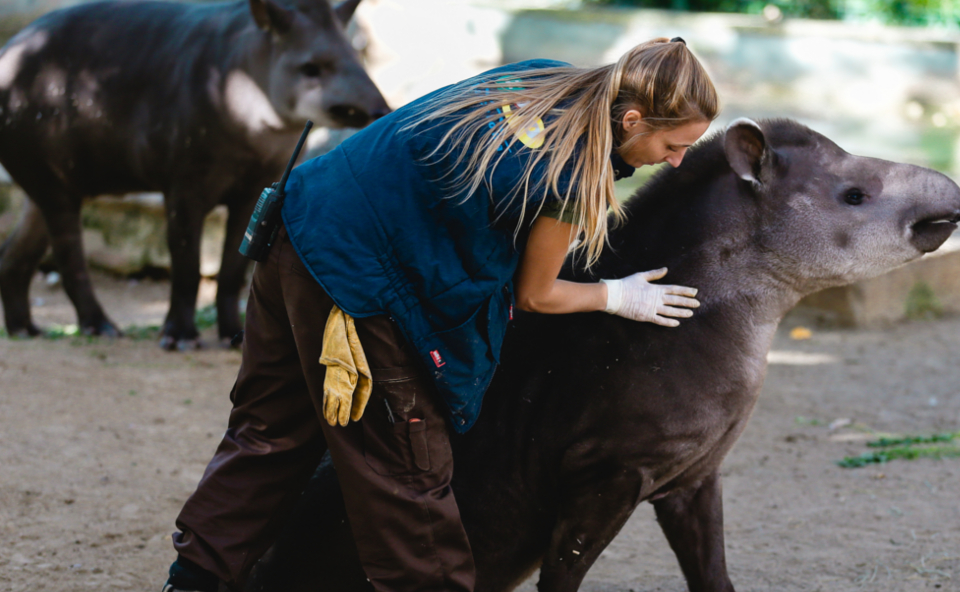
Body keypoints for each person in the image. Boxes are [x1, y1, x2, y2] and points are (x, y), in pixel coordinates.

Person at [162, 37, 719, 592]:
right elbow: (537, 294)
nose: (677, 161)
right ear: (631, 120)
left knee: (268, 433)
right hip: (356, 289)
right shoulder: (572, 175)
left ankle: (191, 583)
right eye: (674, 144)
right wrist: (619, 296)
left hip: (298, 227)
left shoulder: (537, 78)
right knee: (406, 477)